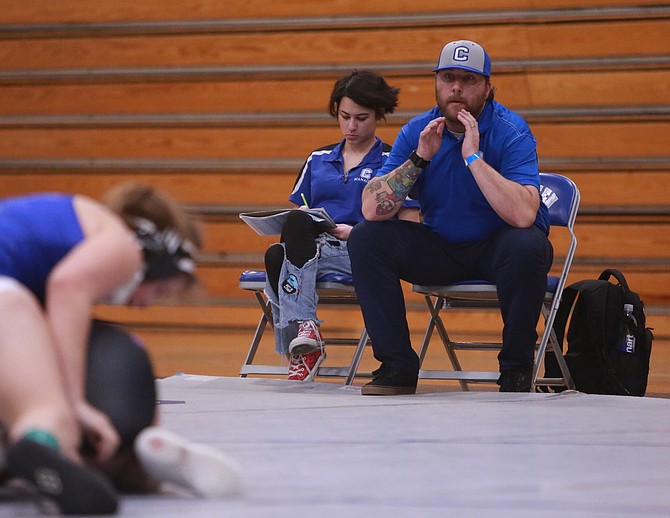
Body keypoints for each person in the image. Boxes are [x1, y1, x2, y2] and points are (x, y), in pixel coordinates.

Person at [0, 183, 241, 515]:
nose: (144, 306)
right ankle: (52, 444)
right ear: (160, 257)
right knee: (51, 413)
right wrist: (74, 402)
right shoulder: (124, 247)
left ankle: (131, 458)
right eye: (159, 291)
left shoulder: (75, 228)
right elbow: (67, 286)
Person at [348, 40, 554, 395]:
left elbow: (523, 215)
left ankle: (516, 368)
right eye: (447, 78)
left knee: (528, 244)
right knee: (367, 236)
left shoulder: (511, 130)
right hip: (441, 248)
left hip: (499, 249)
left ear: (487, 87)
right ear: (437, 83)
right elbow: (371, 209)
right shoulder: (418, 131)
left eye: (468, 79)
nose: (456, 87)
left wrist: (473, 158)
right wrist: (418, 159)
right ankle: (397, 366)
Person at [263, 70, 420, 382]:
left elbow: (411, 227)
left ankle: (304, 345)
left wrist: (359, 232)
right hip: (313, 252)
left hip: (363, 253)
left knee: (280, 262)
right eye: (345, 116)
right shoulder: (317, 159)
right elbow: (299, 217)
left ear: (379, 115)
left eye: (361, 118)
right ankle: (307, 333)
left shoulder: (394, 161)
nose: (351, 126)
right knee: (275, 253)